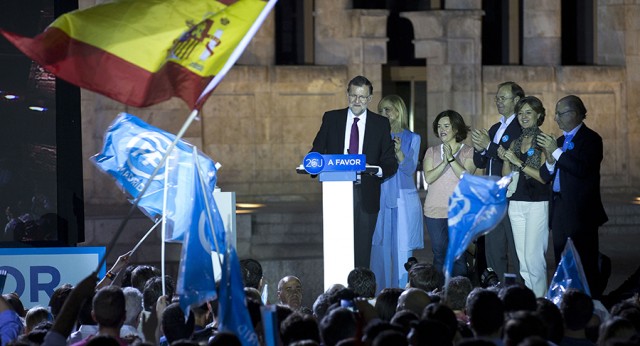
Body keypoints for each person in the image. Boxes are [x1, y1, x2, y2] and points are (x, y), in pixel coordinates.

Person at [310, 75, 398, 268]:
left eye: (363, 97)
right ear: (347, 94)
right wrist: (311, 165)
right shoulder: (332, 118)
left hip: (366, 193)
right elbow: (316, 150)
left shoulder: (380, 124)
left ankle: (360, 295)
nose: (357, 101)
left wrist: (377, 171)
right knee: (337, 250)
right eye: (353, 96)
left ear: (370, 98)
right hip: (336, 193)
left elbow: (390, 161)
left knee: (362, 253)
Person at [537, 95, 608, 298]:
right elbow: (545, 175)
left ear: (575, 114)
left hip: (581, 213)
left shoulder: (591, 139)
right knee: (562, 259)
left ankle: (589, 303)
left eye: (560, 114)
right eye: (556, 114)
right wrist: (550, 159)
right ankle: (566, 300)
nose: (556, 119)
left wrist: (556, 152)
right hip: (559, 209)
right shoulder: (558, 142)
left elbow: (582, 169)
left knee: (584, 260)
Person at [370, 94, 424, 292]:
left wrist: (400, 152)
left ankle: (403, 293)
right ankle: (380, 294)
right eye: (380, 110)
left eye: (387, 110)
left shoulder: (413, 138)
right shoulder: (376, 137)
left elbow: (409, 169)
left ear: (398, 111)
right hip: (381, 196)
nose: (383, 114)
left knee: (403, 250)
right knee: (380, 249)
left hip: (403, 198)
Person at [472, 81, 524, 283]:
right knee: (494, 249)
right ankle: (498, 288)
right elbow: (480, 161)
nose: (498, 101)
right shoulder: (496, 127)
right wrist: (479, 147)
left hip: (512, 196)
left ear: (517, 100)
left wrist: (489, 146)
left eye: (503, 98)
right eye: (497, 98)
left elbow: (511, 157)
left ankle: (519, 292)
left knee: (516, 249)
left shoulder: (521, 126)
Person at [501, 96, 551, 298]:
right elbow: (506, 175)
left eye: (528, 112)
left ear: (539, 115)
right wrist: (507, 159)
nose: (523, 117)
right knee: (522, 261)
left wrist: (518, 163)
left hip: (537, 203)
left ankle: (542, 303)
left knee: (534, 258)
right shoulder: (516, 142)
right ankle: (531, 302)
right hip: (516, 203)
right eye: (520, 113)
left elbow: (543, 177)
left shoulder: (544, 141)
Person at [423, 110, 476, 277]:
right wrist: (444, 161)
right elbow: (429, 177)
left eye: (446, 126)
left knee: (458, 256)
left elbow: (466, 177)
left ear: (456, 129)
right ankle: (439, 293)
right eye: (439, 126)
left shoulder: (468, 151)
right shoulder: (431, 151)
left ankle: (459, 294)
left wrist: (452, 159)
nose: (442, 129)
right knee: (439, 253)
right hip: (434, 211)